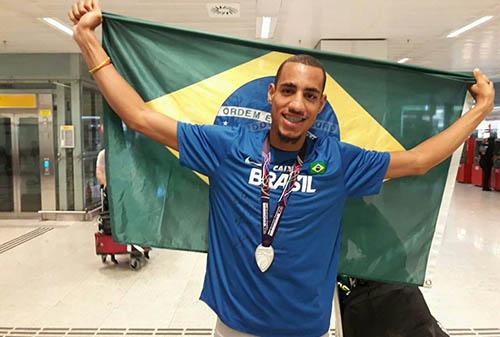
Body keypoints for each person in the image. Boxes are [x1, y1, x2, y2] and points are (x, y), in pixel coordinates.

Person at [68, 1, 495, 336]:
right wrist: (90, 44)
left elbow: (419, 161)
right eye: (288, 90)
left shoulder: (340, 160)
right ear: (271, 95)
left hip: (305, 329)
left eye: (310, 95)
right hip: (234, 325)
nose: (296, 103)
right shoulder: (227, 146)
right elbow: (140, 118)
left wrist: (481, 110)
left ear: (321, 105)